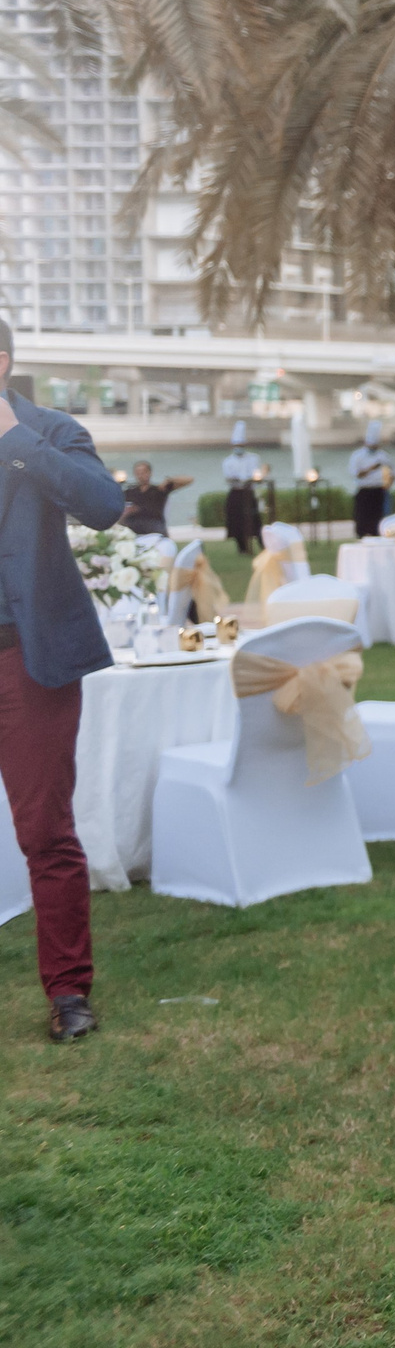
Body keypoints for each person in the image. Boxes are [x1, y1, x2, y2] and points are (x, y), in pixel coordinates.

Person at [0, 318, 130, 1041]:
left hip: (28, 659)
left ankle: (69, 992)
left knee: (45, 831)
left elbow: (105, 506)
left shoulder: (46, 432)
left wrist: (13, 440)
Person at [117, 459, 192, 537]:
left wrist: (170, 480)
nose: (140, 476)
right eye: (138, 473)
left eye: (143, 472)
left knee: (156, 528)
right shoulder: (129, 492)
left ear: (150, 473)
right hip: (133, 522)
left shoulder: (159, 489)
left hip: (153, 522)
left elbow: (189, 480)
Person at [220, 422, 263, 556]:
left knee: (255, 520)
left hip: (249, 492)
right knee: (236, 520)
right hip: (236, 493)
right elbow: (229, 478)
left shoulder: (254, 458)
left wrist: (249, 480)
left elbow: (255, 475)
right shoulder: (228, 461)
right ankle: (242, 548)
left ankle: (263, 544)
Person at [348, 421, 395, 538]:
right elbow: (356, 474)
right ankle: (362, 534)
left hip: (379, 490)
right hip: (365, 490)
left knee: (378, 518)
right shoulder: (357, 456)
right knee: (362, 517)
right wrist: (372, 468)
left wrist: (388, 484)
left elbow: (392, 472)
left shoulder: (383, 456)